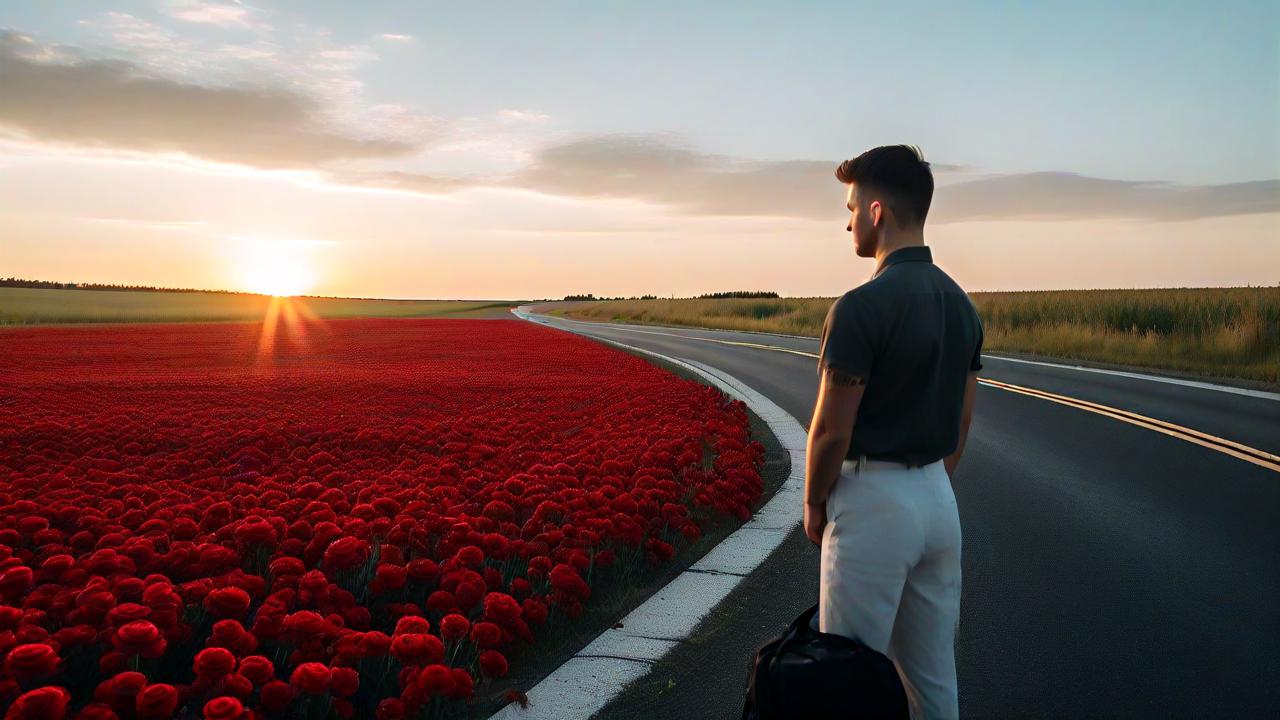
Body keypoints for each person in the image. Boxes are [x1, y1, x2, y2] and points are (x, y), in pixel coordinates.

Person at [803, 145, 983, 719]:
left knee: (845, 681)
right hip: (937, 501)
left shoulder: (859, 308)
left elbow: (832, 429)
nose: (848, 220)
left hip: (873, 501)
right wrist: (928, 481)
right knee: (933, 683)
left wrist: (813, 502)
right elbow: (961, 420)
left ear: (877, 212)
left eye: (851, 207)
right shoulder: (961, 305)